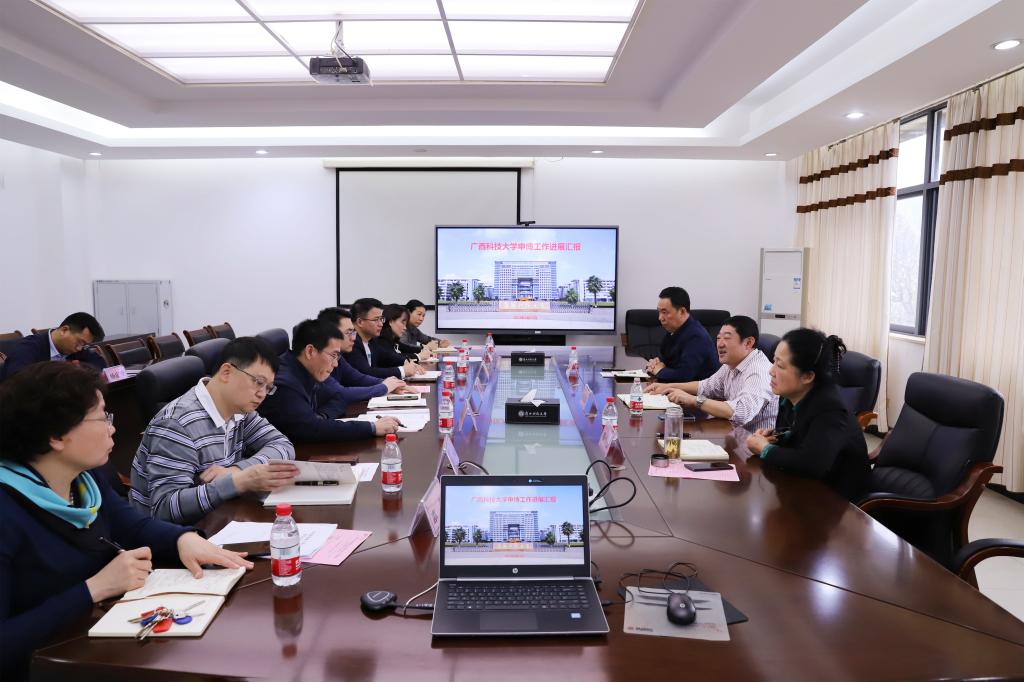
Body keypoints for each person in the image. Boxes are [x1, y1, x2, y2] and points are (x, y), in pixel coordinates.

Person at [0, 363, 253, 679]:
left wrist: (182, 539)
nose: (112, 429)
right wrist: (93, 589)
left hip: (98, 643)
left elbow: (131, 525)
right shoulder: (7, 510)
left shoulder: (85, 478)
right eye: (101, 418)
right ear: (56, 436)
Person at [130, 337, 298, 523]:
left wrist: (237, 470)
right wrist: (238, 481)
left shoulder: (241, 411)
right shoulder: (177, 424)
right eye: (258, 382)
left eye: (268, 388)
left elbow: (282, 445)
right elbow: (165, 508)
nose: (262, 394)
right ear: (226, 372)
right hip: (173, 534)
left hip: (221, 517)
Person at [745, 328, 869, 502]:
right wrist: (776, 438)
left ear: (807, 376)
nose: (771, 371)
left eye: (780, 365)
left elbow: (810, 464)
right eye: (774, 361)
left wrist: (765, 449)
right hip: (803, 489)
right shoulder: (790, 396)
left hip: (837, 503)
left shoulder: (830, 410)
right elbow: (798, 435)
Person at [258, 319, 400, 442]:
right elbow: (312, 429)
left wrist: (321, 416)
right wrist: (372, 427)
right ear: (310, 351)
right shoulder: (285, 384)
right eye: (333, 355)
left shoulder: (308, 369)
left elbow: (339, 397)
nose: (336, 364)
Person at [647, 315, 777, 431]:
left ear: (748, 343)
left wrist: (693, 400)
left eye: (727, 338)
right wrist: (668, 387)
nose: (720, 344)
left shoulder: (758, 372)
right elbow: (706, 386)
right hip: (736, 436)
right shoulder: (731, 364)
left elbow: (740, 412)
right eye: (718, 338)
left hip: (756, 446)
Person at [318, 306, 408, 401]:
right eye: (348, 332)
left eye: (353, 332)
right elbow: (341, 393)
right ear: (330, 334)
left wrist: (391, 384)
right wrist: (384, 387)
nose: (353, 338)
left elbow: (359, 378)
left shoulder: (339, 357)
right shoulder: (319, 358)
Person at [0, 312, 106, 381]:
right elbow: (18, 380)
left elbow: (100, 363)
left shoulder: (75, 348)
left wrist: (80, 369)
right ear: (64, 330)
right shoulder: (29, 347)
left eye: (84, 345)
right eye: (80, 342)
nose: (79, 348)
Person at [645, 287, 718, 383]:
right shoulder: (674, 330)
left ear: (682, 311)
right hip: (676, 389)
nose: (660, 318)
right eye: (659, 312)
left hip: (698, 392)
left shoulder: (696, 337)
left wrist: (659, 371)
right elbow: (666, 359)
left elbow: (684, 376)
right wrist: (657, 363)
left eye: (664, 312)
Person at [344, 298, 422, 379]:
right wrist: (402, 371)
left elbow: (387, 357)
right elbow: (366, 373)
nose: (381, 324)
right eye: (376, 320)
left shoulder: (372, 340)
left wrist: (406, 362)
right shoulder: (351, 342)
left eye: (381, 319)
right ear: (360, 322)